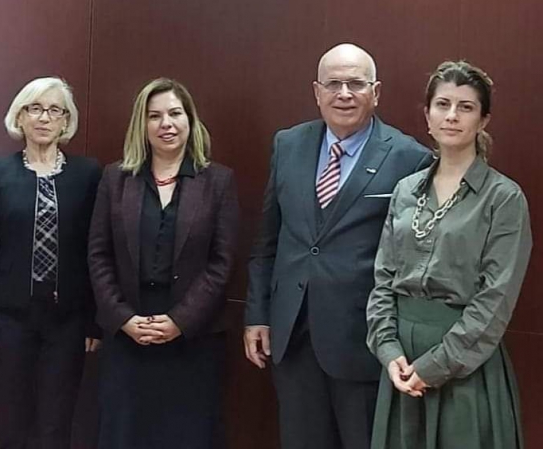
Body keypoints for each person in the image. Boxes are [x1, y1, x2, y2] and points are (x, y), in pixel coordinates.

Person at [245, 43, 432, 449]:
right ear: (317, 92)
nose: (343, 94)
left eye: (355, 84)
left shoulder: (410, 159)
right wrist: (257, 314)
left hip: (362, 342)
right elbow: (267, 240)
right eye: (333, 84)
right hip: (293, 337)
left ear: (376, 92)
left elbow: (412, 262)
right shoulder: (288, 144)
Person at [366, 60, 532, 449]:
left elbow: (495, 300)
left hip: (464, 365)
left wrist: (435, 366)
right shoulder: (406, 190)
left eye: (466, 107)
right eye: (442, 104)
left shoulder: (503, 198)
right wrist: (388, 350)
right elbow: (383, 280)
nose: (452, 116)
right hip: (402, 365)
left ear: (483, 120)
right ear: (427, 115)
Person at [88, 78, 239, 449]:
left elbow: (222, 263)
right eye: (154, 116)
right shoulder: (115, 178)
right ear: (141, 125)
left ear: (190, 120)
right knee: (124, 434)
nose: (166, 124)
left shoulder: (218, 181)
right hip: (128, 333)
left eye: (174, 113)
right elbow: (98, 254)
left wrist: (179, 322)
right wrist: (123, 318)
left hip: (192, 337)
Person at [0, 77, 101, 449]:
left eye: (55, 110)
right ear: (20, 117)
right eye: (35, 108)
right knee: (10, 421)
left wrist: (94, 321)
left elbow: (96, 253)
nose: (44, 118)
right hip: (11, 320)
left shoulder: (88, 175)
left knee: (56, 423)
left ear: (66, 120)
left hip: (67, 322)